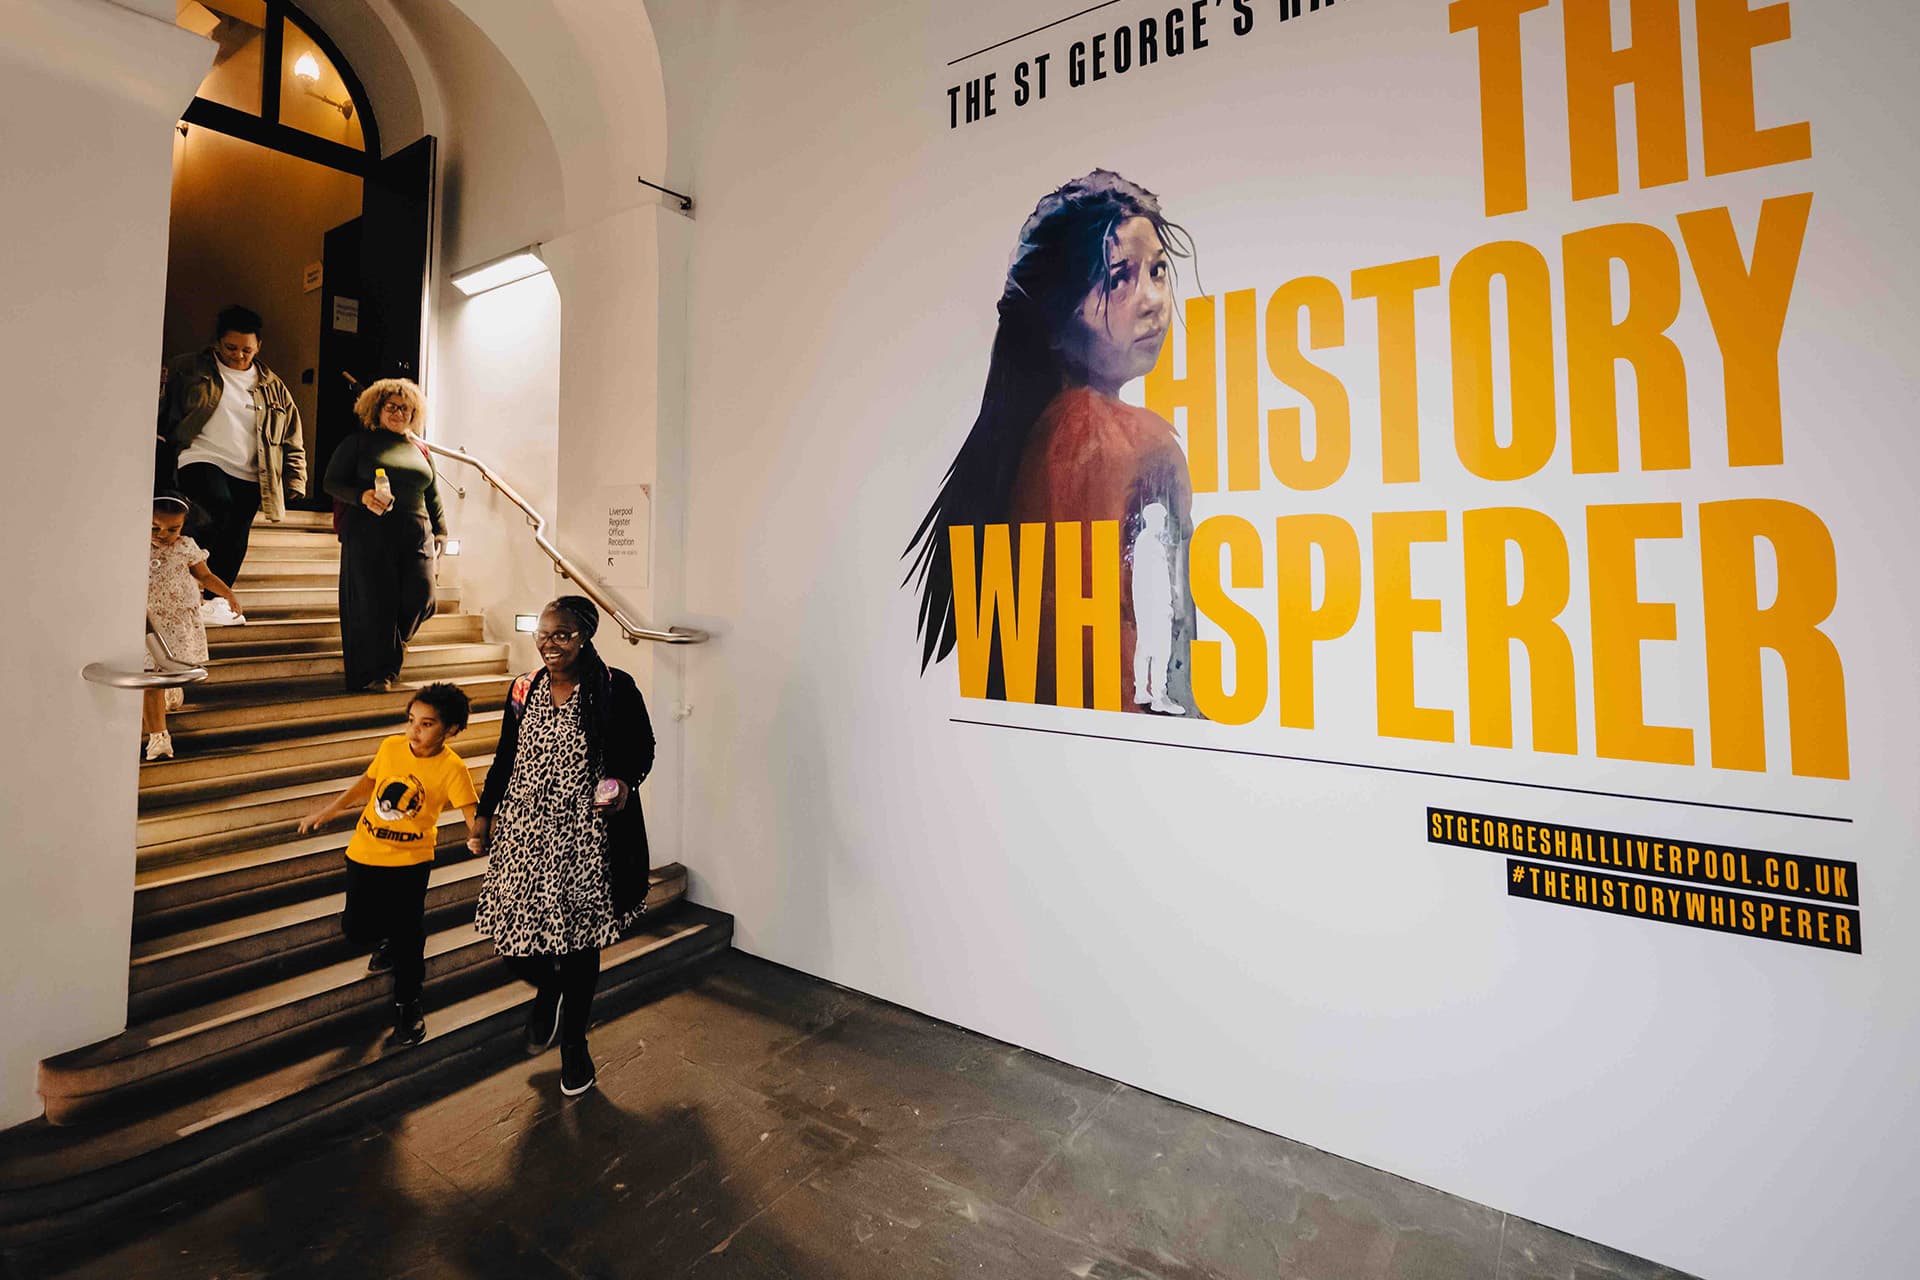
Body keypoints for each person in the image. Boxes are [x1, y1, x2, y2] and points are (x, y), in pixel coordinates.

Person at [904, 170, 1202, 714]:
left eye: (1158, 270)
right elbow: (1157, 684)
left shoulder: (1020, 438)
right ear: (1055, 313)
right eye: (1118, 279)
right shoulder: (1137, 443)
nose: (1153, 299)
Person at [470, 596, 654, 1097]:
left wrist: (620, 784)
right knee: (511, 940)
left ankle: (575, 1044)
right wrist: (485, 814)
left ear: (587, 636)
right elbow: (507, 755)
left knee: (579, 946)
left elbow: (642, 749)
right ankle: (548, 988)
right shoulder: (522, 689)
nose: (550, 644)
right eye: (544, 634)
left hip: (584, 839)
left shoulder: (614, 687)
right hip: (524, 835)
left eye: (563, 635)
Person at [296, 683, 478, 1050]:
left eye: (427, 724)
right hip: (364, 853)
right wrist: (329, 811)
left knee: (409, 936)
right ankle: (388, 941)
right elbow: (369, 783)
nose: (414, 730)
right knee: (356, 930)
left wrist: (478, 835)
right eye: (411, 720)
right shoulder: (392, 747)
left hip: (410, 864)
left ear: (451, 730)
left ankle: (408, 1005)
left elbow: (471, 812)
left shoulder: (453, 768)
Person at [158, 305, 308, 626]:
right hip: (200, 456)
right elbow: (162, 408)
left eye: (247, 350)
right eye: (231, 348)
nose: (239, 356)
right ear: (217, 342)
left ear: (259, 347)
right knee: (216, 508)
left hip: (252, 472)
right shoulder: (188, 368)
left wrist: (295, 481)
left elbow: (292, 436)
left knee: (237, 535)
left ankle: (215, 602)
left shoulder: (273, 387)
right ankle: (186, 585)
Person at [322, 378, 447, 691]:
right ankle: (380, 674)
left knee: (422, 597)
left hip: (415, 530)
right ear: (376, 409)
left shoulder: (419, 448)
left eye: (406, 408)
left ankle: (391, 649)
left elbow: (432, 492)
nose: (399, 413)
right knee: (374, 603)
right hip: (369, 530)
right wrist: (362, 496)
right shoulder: (358, 443)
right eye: (392, 407)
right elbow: (332, 483)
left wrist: (441, 529)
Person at [143, 493, 244, 761]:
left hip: (177, 621)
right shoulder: (136, 544)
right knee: (152, 679)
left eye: (172, 529)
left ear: (184, 525)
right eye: (155, 527)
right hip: (148, 621)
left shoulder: (186, 547)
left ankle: (173, 688)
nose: (163, 534)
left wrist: (228, 594)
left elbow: (205, 575)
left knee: (168, 670)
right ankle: (159, 737)